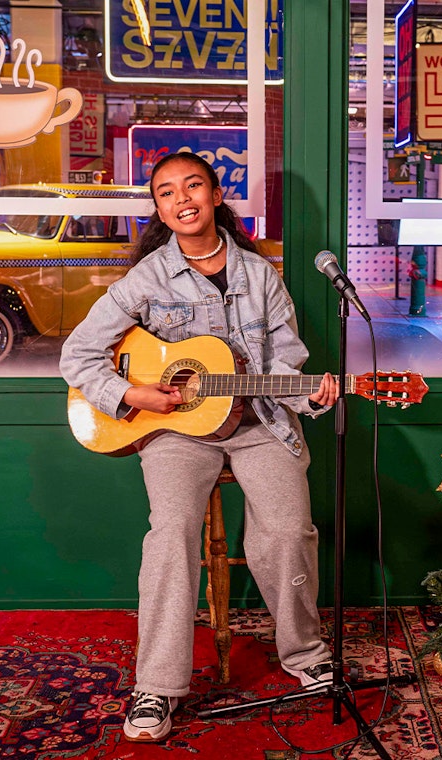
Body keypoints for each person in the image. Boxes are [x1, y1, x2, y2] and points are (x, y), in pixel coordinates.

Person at [60, 151, 338, 743]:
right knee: (171, 533)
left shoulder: (261, 275)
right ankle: (156, 686)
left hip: (259, 419)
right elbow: (76, 356)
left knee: (289, 531)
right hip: (174, 432)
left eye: (193, 186)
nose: (182, 199)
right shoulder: (147, 278)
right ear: (160, 208)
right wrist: (133, 393)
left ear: (215, 195)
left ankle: (305, 651)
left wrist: (312, 394)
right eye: (166, 192)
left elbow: (286, 361)